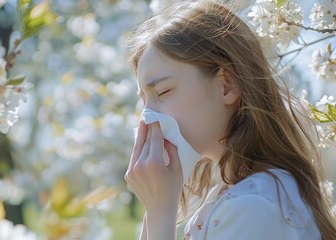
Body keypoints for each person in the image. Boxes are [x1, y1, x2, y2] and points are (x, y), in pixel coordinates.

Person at [124, 1, 336, 239]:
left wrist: (160, 212)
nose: (147, 115)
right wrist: (154, 206)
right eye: (144, 99)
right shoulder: (230, 197)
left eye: (163, 92)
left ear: (226, 85)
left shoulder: (252, 208)